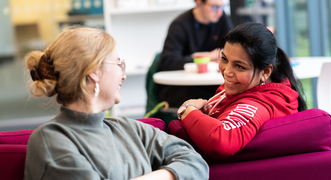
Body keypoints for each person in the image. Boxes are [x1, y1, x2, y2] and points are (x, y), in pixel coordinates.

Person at [23, 27, 209, 180]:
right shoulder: (50, 139)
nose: (124, 74)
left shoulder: (129, 129)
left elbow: (196, 163)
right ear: (94, 71)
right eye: (118, 64)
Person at [176, 22, 307, 159]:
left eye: (239, 66)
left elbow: (220, 140)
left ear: (265, 72)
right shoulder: (242, 89)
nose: (227, 72)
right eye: (224, 59)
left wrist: (188, 110)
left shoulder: (257, 105)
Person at [158, 0, 233, 108]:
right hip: (183, 87)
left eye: (222, 7)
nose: (219, 12)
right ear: (198, 3)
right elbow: (168, 62)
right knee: (217, 100)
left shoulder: (222, 19)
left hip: (211, 84)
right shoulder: (180, 25)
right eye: (215, 7)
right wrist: (207, 57)